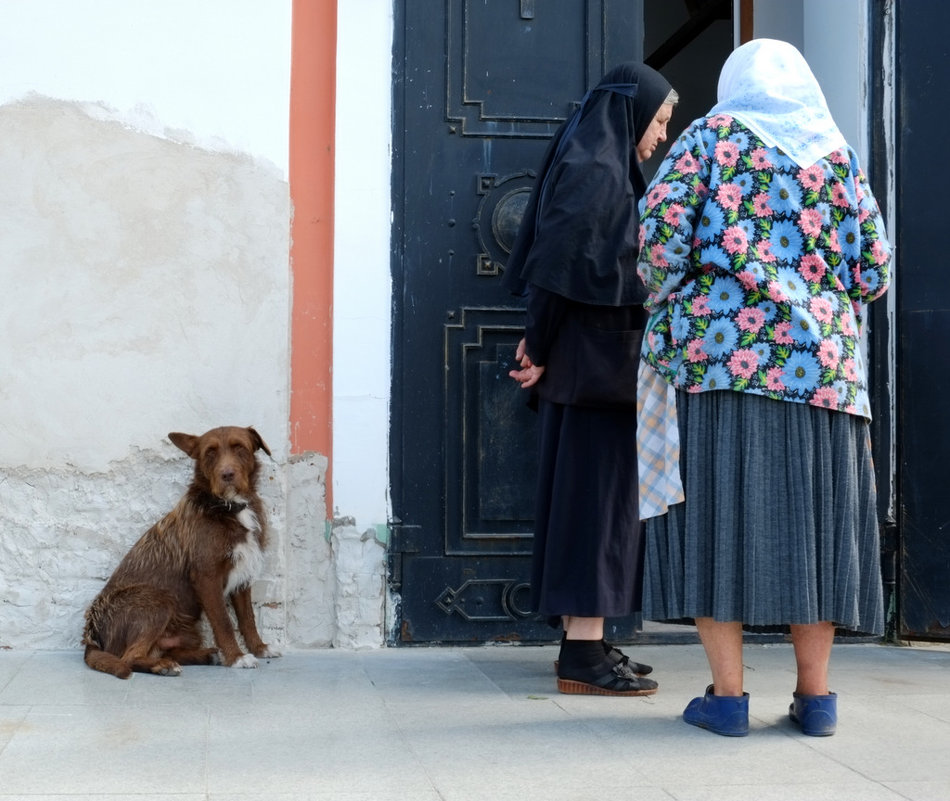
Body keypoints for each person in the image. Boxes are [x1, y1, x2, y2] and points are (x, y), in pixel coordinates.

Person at [636, 39, 891, 734]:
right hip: (827, 376)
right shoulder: (835, 153)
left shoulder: (708, 139)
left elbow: (657, 244)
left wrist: (680, 290)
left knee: (722, 524)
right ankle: (816, 699)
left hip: (725, 364)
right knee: (819, 529)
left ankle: (728, 698)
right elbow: (874, 270)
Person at [504, 62, 678, 696]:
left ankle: (590, 638)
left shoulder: (604, 170)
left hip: (595, 370)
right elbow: (557, 270)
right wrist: (540, 348)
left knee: (599, 505)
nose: (661, 136)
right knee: (595, 509)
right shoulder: (597, 176)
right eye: (658, 121)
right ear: (631, 115)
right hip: (591, 374)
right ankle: (582, 654)